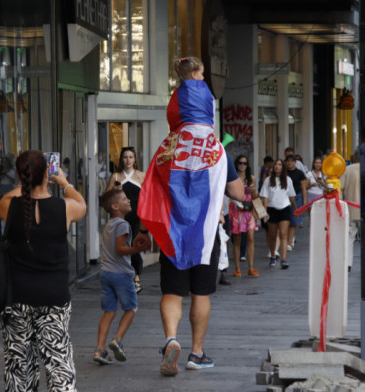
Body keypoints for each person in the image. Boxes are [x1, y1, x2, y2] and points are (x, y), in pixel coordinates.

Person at [136, 56, 244, 376]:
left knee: (172, 292)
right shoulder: (216, 148)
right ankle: (196, 353)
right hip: (206, 235)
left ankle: (171, 339)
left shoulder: (166, 147)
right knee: (201, 293)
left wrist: (145, 229)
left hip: (173, 235)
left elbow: (151, 191)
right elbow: (238, 194)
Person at [0, 150, 87, 392]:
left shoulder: (9, 206)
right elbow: (82, 205)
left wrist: (24, 185)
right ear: (48, 173)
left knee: (19, 365)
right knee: (58, 362)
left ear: (19, 175)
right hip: (53, 297)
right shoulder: (64, 207)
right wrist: (65, 182)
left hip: (17, 298)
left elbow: (5, 200)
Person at [93, 189, 150, 365]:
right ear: (115, 206)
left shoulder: (110, 224)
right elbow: (119, 250)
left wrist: (131, 245)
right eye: (125, 199)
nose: (129, 201)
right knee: (131, 308)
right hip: (121, 274)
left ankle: (99, 350)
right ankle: (117, 340)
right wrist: (136, 250)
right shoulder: (123, 225)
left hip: (106, 273)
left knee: (109, 311)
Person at [105, 146, 146, 293]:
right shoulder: (115, 176)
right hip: (120, 218)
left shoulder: (141, 176)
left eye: (130, 157)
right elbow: (106, 198)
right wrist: (115, 190)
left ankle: (136, 277)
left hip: (136, 216)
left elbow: (148, 197)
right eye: (125, 157)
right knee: (120, 248)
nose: (128, 160)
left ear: (135, 159)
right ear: (121, 159)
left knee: (134, 246)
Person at [260, 159, 297, 269]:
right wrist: (264, 212)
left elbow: (291, 196)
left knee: (283, 234)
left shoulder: (287, 179)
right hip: (271, 210)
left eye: (280, 164)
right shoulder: (268, 180)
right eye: (275, 164)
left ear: (283, 167)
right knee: (272, 236)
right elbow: (265, 197)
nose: (277, 166)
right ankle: (272, 255)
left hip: (284, 208)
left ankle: (284, 259)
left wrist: (296, 208)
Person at [228, 155, 259, 277]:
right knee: (237, 239)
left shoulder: (252, 178)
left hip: (249, 210)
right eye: (240, 163)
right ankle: (237, 268)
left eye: (244, 163)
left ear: (247, 165)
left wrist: (253, 192)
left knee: (251, 238)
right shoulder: (232, 178)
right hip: (236, 209)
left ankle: (251, 267)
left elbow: (256, 197)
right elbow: (228, 194)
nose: (242, 165)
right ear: (236, 164)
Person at [340, 150, 361, 272]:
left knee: (349, 237)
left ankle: (348, 263)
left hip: (351, 209)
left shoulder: (347, 170)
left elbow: (340, 189)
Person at [284, 153, 307, 250]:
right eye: (288, 161)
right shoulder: (283, 172)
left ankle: (289, 243)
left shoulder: (299, 173)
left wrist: (304, 202)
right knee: (285, 220)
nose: (290, 163)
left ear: (295, 162)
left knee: (294, 221)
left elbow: (303, 188)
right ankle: (286, 240)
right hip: (284, 197)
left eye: (292, 161)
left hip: (296, 196)